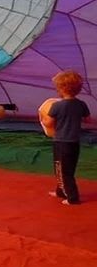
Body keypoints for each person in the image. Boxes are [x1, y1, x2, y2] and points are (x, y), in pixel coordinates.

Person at [41, 70, 91, 205]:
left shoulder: (57, 106)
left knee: (62, 170)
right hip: (74, 142)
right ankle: (60, 191)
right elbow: (88, 120)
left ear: (62, 88)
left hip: (61, 142)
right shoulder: (81, 104)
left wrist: (42, 118)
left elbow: (49, 123)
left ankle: (72, 197)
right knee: (67, 168)